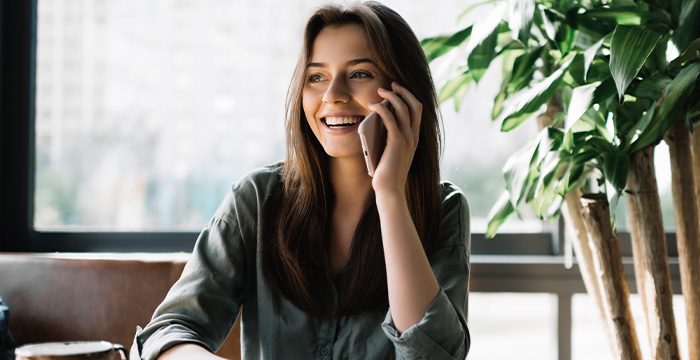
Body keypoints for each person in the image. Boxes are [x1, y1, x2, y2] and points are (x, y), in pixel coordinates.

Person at [131, 1, 470, 359]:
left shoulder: (443, 210)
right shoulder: (257, 200)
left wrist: (389, 194)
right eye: (317, 77)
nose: (332, 95)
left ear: (403, 94)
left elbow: (432, 354)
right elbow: (169, 330)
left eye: (359, 74)